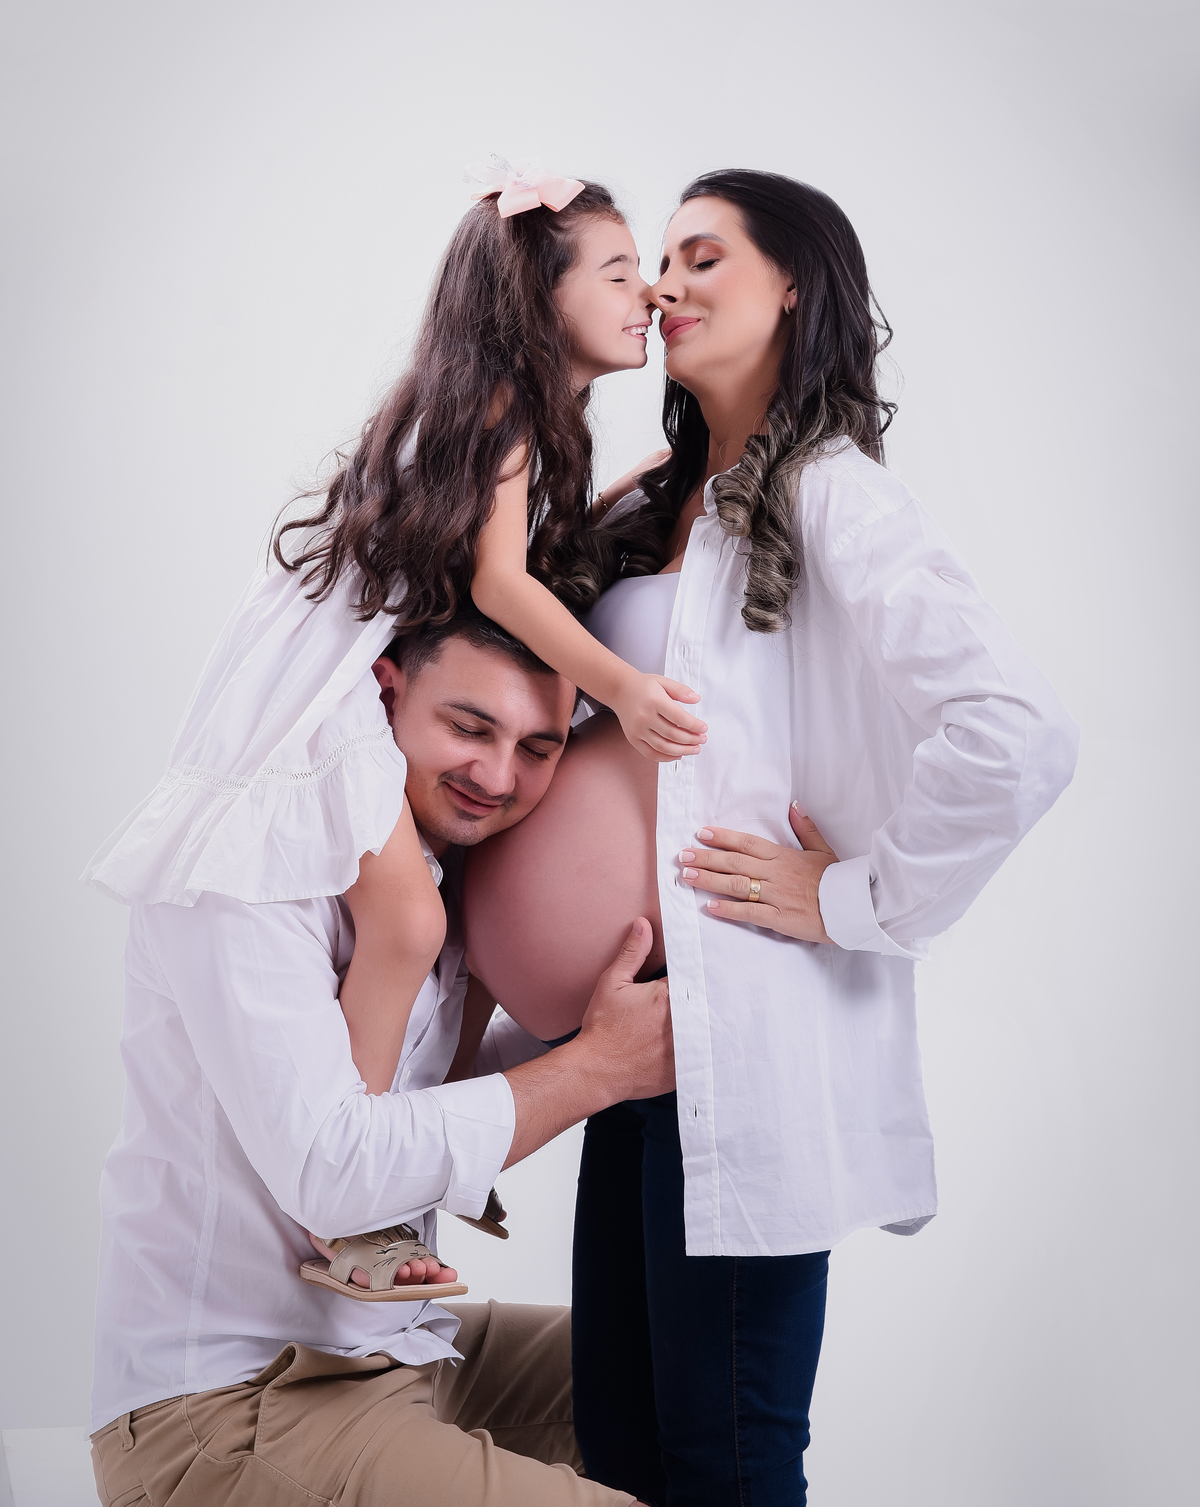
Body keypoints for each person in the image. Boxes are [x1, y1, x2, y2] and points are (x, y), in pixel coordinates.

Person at [460, 170, 1081, 1506]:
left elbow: (1017, 733)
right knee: (622, 1456)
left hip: (736, 1047)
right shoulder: (656, 498)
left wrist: (850, 897)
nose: (665, 285)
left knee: (726, 1463)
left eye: (703, 257)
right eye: (657, 261)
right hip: (629, 1047)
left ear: (794, 285)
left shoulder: (836, 495)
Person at [86, 166, 699, 1294]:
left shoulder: (518, 419)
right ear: (541, 295)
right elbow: (503, 586)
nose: (650, 295)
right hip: (328, 699)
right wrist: (624, 685)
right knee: (412, 922)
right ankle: (351, 1224)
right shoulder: (503, 411)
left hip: (347, 684)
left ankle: (390, 1189)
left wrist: (645, 487)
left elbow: (522, 552)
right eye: (620, 273)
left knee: (442, 927)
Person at [89, 603, 673, 1507]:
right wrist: (598, 1067)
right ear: (383, 693)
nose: (497, 777)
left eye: (537, 748)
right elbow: (334, 1168)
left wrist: (596, 1029)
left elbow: (425, 1094)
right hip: (226, 1408)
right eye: (469, 728)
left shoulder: (434, 865)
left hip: (397, 1353)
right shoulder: (240, 872)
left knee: (685, 1387)